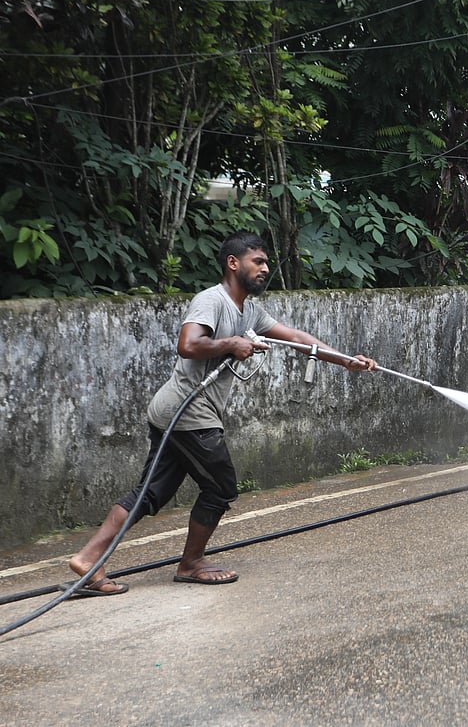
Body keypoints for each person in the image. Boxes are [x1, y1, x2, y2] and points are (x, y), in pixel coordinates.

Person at [67, 231, 376, 595]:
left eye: (265, 262)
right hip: (188, 411)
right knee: (221, 487)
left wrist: (345, 360)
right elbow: (188, 345)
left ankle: (88, 559)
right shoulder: (211, 301)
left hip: (175, 412)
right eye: (257, 261)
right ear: (233, 263)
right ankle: (191, 563)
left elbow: (294, 336)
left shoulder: (249, 309)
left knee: (152, 492)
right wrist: (231, 343)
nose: (265, 268)